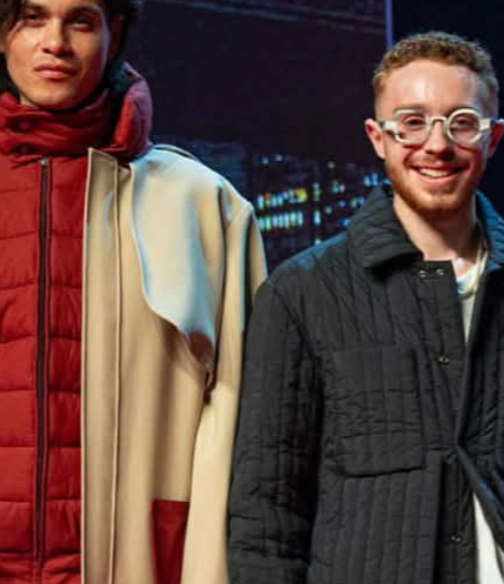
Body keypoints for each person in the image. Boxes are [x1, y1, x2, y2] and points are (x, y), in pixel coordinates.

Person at [227, 31, 504, 584]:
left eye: (462, 123)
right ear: (378, 137)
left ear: (493, 138)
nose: (437, 144)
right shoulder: (301, 293)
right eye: (412, 122)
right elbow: (267, 511)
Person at [0, 1, 267, 583]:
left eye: (80, 21)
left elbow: (241, 414)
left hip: (135, 564)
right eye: (32, 18)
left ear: (114, 32)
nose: (55, 43)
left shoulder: (203, 205)